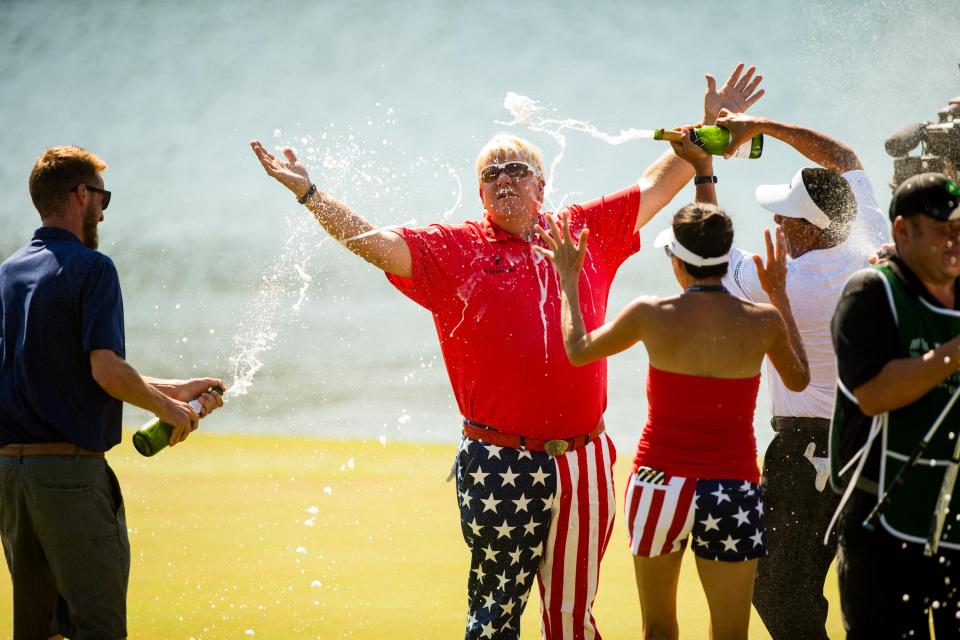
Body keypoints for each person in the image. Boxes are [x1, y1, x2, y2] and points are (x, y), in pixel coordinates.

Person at [251, 65, 764, 640]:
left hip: (585, 461)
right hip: (498, 462)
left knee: (572, 621)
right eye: (490, 174)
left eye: (516, 169)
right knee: (493, 622)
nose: (503, 180)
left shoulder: (579, 231)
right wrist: (310, 194)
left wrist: (708, 127)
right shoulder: (454, 251)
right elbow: (374, 243)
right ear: (481, 193)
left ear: (541, 186)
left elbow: (657, 185)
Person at [534, 130, 809, 640]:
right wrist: (780, 296)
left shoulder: (650, 315)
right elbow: (799, 378)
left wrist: (568, 280)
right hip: (733, 486)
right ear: (728, 258)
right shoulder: (763, 320)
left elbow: (577, 351)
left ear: (677, 261)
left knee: (658, 629)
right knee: (731, 634)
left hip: (659, 485)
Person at [0, 146, 225, 639]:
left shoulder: (8, 274)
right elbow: (106, 370)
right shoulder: (93, 268)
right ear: (82, 194)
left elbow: (62, 372)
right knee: (98, 627)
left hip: (12, 480)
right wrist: (171, 409)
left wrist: (174, 387)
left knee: (37, 631)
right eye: (102, 197)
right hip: (70, 478)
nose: (102, 210)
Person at [709, 111, 889, 639]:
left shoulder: (790, 284)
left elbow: (710, 251)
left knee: (778, 587)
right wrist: (763, 125)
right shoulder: (869, 238)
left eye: (787, 218)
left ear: (811, 228)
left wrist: (705, 167)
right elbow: (847, 161)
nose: (778, 225)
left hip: (806, 453)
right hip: (872, 441)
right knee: (860, 581)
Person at [830, 172, 960, 638]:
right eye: (944, 228)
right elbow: (874, 394)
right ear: (903, 231)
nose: (955, 239)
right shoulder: (872, 292)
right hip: (882, 528)